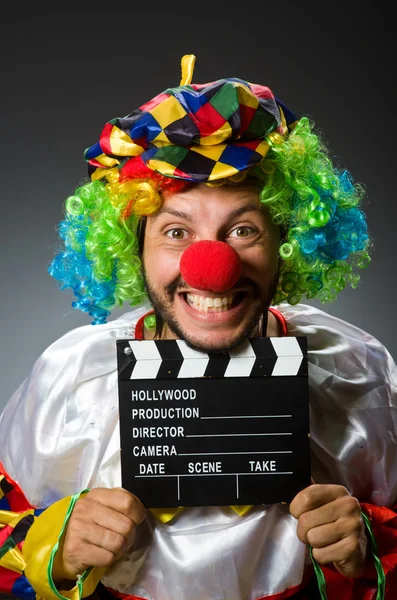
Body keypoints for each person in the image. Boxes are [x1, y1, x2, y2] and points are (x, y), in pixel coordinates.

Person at [0, 54, 396, 600]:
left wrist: (369, 548)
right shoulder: (71, 380)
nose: (212, 266)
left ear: (288, 245)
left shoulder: (358, 374)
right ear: (132, 250)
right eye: (176, 233)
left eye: (243, 230)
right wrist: (54, 550)